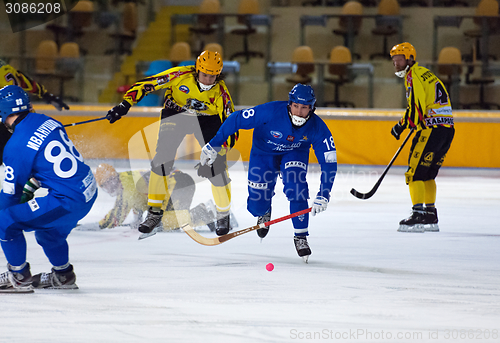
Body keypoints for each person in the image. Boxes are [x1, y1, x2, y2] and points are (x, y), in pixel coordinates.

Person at [106, 51, 238, 236]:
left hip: (208, 120)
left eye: (213, 76)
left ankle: (223, 214)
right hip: (177, 115)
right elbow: (147, 84)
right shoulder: (179, 75)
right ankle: (154, 212)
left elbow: (231, 128)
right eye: (205, 75)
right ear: (196, 70)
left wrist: (218, 152)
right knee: (161, 161)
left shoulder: (221, 93)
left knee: (216, 167)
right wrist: (125, 105)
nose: (208, 80)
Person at [199, 84, 337, 262]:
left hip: (295, 153)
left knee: (297, 188)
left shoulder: (319, 128)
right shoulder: (270, 111)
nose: (299, 112)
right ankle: (264, 210)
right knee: (256, 205)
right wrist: (214, 144)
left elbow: (329, 163)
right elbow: (236, 119)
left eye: (304, 108)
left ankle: (301, 236)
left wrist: (324, 194)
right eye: (296, 106)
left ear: (312, 108)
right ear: (289, 104)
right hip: (263, 153)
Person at [0, 85, 97, 292]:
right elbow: (48, 167)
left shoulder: (14, 146)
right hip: (88, 189)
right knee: (48, 234)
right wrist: (31, 188)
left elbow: (9, 197)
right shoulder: (47, 120)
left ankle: (18, 276)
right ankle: (64, 276)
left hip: (68, 201)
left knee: (5, 221)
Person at [389, 42, 455, 233]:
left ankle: (417, 214)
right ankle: (430, 214)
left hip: (430, 130)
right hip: (447, 129)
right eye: (394, 60)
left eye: (399, 59)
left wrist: (401, 125)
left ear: (410, 59)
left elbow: (416, 110)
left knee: (415, 172)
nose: (396, 64)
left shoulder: (413, 76)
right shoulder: (426, 73)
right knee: (428, 174)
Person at [87, 163, 216, 232]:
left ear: (111, 179)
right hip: (179, 182)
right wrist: (137, 219)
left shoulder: (126, 184)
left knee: (161, 222)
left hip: (176, 183)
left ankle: (207, 213)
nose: (107, 189)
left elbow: (118, 214)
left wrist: (99, 225)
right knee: (171, 221)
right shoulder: (126, 179)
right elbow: (139, 200)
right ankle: (213, 213)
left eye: (105, 184)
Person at [0, 59, 69, 111]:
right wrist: (48, 96)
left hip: (10, 120)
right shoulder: (6, 69)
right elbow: (29, 84)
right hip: (29, 116)